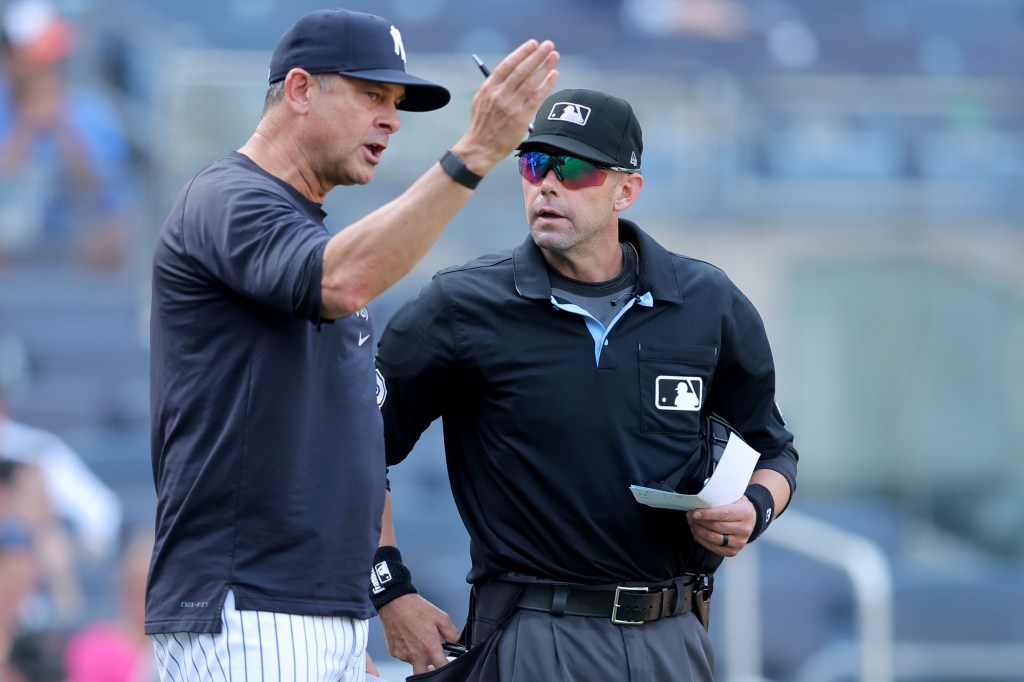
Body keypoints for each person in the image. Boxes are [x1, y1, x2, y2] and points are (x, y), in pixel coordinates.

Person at [145, 6, 558, 681]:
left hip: (312, 610)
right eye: (372, 95)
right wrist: (475, 152)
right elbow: (338, 281)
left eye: (396, 103)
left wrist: (378, 594)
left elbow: (353, 436)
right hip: (248, 604)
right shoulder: (227, 199)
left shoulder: (304, 231)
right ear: (300, 90)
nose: (392, 119)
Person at [373, 87, 799, 680]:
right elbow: (354, 447)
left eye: (573, 169)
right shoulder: (462, 305)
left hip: (674, 636)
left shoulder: (708, 301)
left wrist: (755, 508)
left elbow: (773, 449)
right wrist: (390, 589)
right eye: (534, 164)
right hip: (534, 632)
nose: (547, 184)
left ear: (626, 190)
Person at [0, 0, 135, 269]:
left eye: (54, 58)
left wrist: (62, 128)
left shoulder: (94, 113)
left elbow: (110, 203)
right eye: (37, 58)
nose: (48, 69)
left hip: (72, 267)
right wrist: (26, 129)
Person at [64, 527, 156, 682]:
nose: (141, 593)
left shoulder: (181, 647)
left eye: (149, 588)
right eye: (134, 586)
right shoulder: (92, 645)